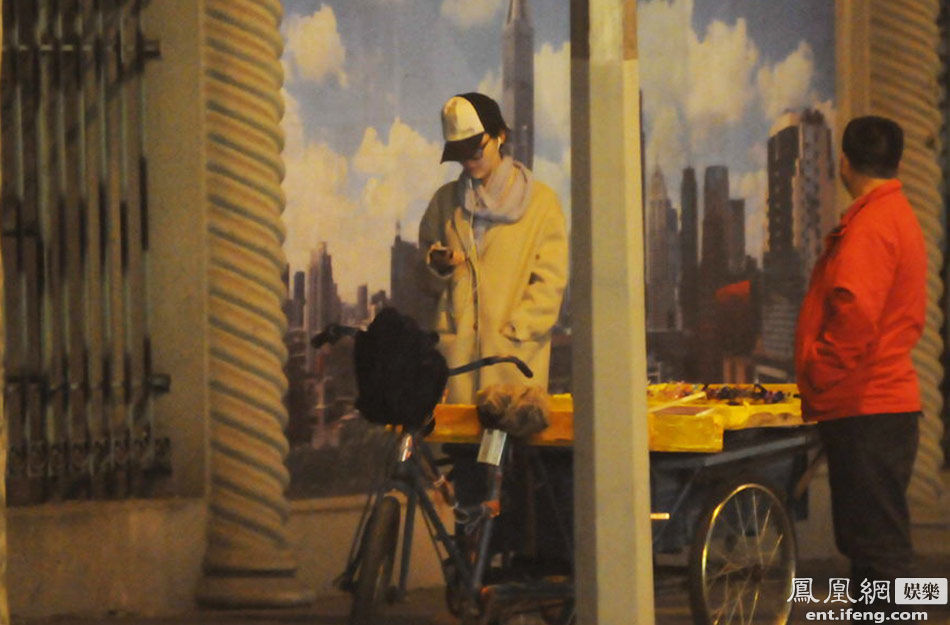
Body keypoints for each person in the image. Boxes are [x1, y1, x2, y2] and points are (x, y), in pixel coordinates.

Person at [794, 116, 926, 602]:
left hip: (867, 406)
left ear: (844, 164)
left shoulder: (871, 226)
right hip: (879, 406)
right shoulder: (894, 215)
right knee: (874, 549)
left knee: (878, 551)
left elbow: (854, 318)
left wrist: (818, 374)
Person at [418, 92, 568, 403]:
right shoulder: (444, 202)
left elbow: (550, 283)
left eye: (476, 150)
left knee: (510, 429)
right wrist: (438, 265)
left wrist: (517, 330)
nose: (468, 162)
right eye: (460, 155)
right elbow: (425, 271)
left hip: (513, 361)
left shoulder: (542, 204)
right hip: (457, 363)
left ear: (500, 136)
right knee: (456, 434)